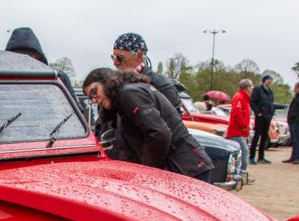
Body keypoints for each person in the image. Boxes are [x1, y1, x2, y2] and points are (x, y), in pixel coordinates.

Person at [82, 68, 213, 181]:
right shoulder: (127, 94)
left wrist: (145, 173)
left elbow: (159, 134)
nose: (94, 99)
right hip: (184, 165)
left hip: (187, 167)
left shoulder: (128, 93)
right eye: (90, 98)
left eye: (94, 91)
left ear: (107, 81)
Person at [5, 27, 80, 108]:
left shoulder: (56, 77)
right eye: (17, 56)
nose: (22, 61)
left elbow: (74, 108)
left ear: (37, 56)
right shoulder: (0, 77)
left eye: (28, 56)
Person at [110, 32, 182, 113]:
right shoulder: (117, 83)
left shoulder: (161, 85)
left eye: (120, 58)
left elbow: (174, 119)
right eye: (113, 57)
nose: (115, 63)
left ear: (139, 55)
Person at [226, 79, 253, 176]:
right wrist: (243, 126)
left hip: (239, 131)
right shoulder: (239, 97)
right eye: (251, 86)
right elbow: (237, 114)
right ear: (247, 87)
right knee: (244, 150)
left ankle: (238, 172)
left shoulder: (243, 98)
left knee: (240, 152)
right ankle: (241, 173)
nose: (252, 88)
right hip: (236, 131)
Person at [249, 74, 275, 164]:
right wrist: (258, 112)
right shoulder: (257, 89)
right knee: (257, 136)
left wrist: (271, 113)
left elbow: (271, 103)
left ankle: (261, 157)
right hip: (260, 116)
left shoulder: (270, 91)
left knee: (264, 137)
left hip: (268, 117)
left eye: (271, 80)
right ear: (264, 80)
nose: (270, 81)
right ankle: (252, 157)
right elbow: (252, 102)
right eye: (268, 79)